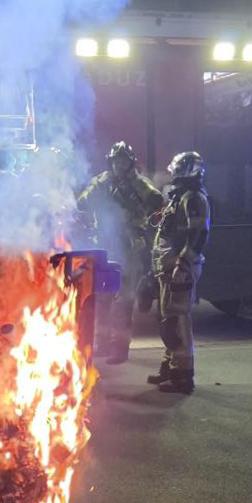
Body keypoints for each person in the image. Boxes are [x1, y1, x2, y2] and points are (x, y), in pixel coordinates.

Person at [77, 141, 164, 364]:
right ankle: (102, 343)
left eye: (124, 161)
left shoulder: (138, 183)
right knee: (103, 298)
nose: (119, 165)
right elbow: (83, 201)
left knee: (123, 300)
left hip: (129, 248)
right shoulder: (102, 181)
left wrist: (141, 205)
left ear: (130, 163)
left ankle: (120, 347)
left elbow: (156, 200)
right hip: (105, 246)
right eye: (116, 161)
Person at [147, 151, 210, 394]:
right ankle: (170, 368)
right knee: (168, 320)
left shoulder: (194, 198)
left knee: (178, 321)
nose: (172, 173)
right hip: (169, 267)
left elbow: (198, 235)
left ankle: (183, 377)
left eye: (177, 169)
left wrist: (182, 266)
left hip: (179, 268)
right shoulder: (180, 197)